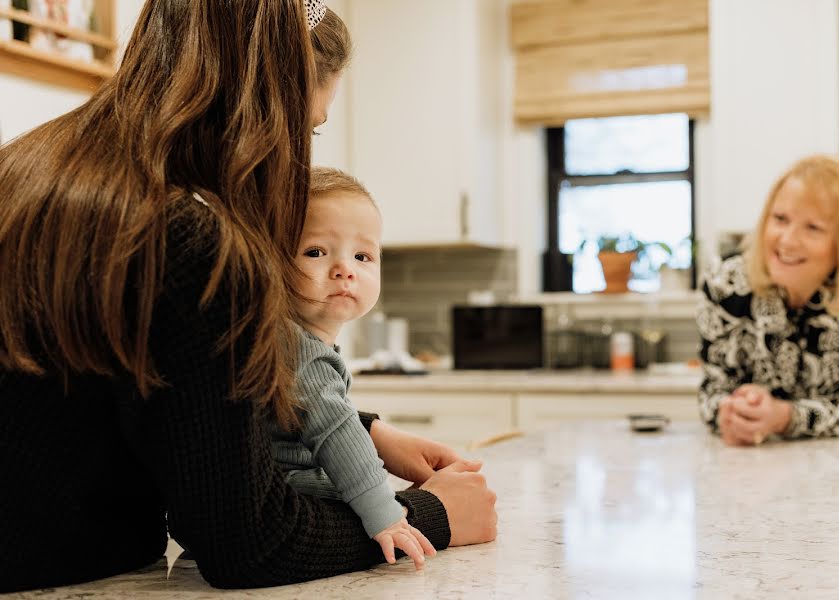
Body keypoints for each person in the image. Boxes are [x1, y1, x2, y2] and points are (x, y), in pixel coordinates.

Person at [0, 0, 496, 593]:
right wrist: (434, 518)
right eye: (306, 128)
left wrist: (362, 432)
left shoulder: (29, 171)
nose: (301, 156)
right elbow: (250, 544)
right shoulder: (187, 237)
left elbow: (144, 399)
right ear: (264, 107)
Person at [269, 167, 434, 569]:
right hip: (286, 485)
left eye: (363, 256)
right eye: (315, 252)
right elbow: (337, 432)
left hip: (279, 482)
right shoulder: (298, 347)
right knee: (372, 490)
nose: (345, 269)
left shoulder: (293, 339)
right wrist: (390, 518)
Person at [697, 154, 839, 446]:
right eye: (780, 219)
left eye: (813, 228)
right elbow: (712, 391)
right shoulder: (724, 283)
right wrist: (735, 410)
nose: (788, 241)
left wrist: (782, 417)